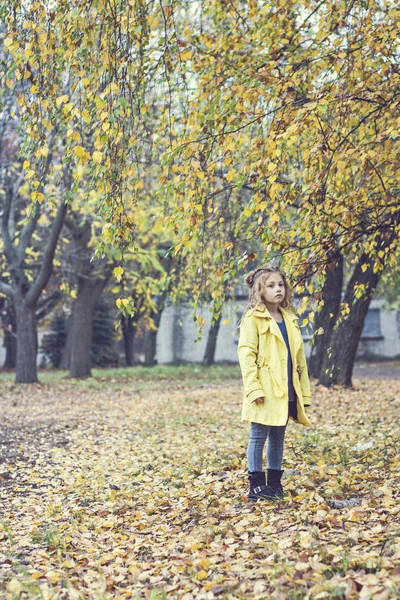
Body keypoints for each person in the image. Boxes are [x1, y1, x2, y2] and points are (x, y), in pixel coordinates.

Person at [238, 264, 312, 501]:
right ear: (260, 290)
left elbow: (299, 359)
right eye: (271, 286)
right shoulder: (253, 319)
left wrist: (304, 393)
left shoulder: (289, 318)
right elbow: (246, 355)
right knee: (258, 435)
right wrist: (254, 389)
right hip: (264, 389)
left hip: (286, 389)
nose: (277, 289)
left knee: (278, 437)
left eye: (280, 284)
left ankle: (274, 484)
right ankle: (256, 486)